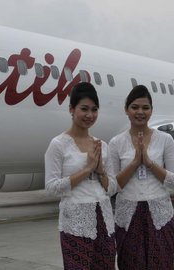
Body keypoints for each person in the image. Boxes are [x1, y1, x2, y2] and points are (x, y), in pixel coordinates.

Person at [44, 82, 117, 270]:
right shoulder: (58, 144)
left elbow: (111, 188)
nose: (90, 115)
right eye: (84, 109)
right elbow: (51, 188)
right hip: (75, 223)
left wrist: (100, 170)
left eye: (94, 110)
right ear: (71, 109)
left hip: (105, 220)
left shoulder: (102, 145)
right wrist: (86, 170)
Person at [109, 85, 174, 269]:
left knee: (161, 264)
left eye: (145, 107)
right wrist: (134, 163)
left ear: (151, 110)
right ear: (126, 109)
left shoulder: (165, 140)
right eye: (134, 107)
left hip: (160, 216)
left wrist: (149, 163)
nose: (140, 112)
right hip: (127, 217)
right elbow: (112, 187)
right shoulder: (116, 143)